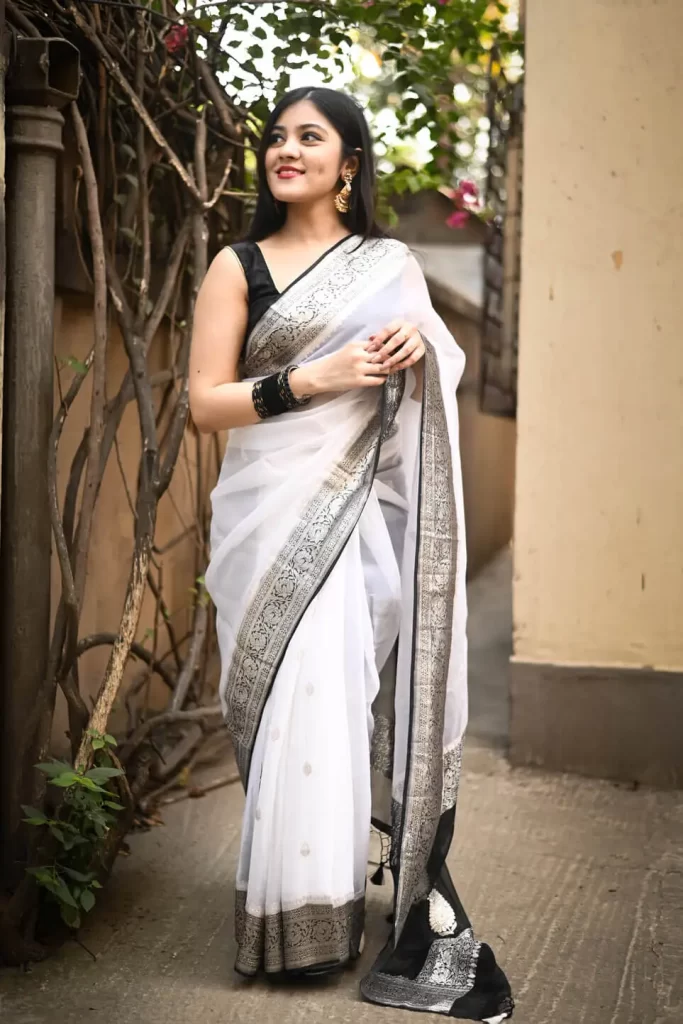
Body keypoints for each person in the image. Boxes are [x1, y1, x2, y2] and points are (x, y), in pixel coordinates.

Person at [189, 86, 514, 1022]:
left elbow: (433, 380)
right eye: (276, 138)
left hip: (356, 520)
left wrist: (419, 349)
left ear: (348, 163)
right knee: (279, 702)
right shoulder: (235, 265)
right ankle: (279, 914)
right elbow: (204, 403)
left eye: (310, 137)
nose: (286, 150)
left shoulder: (388, 264)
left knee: (330, 702)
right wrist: (310, 378)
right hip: (266, 517)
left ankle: (320, 915)